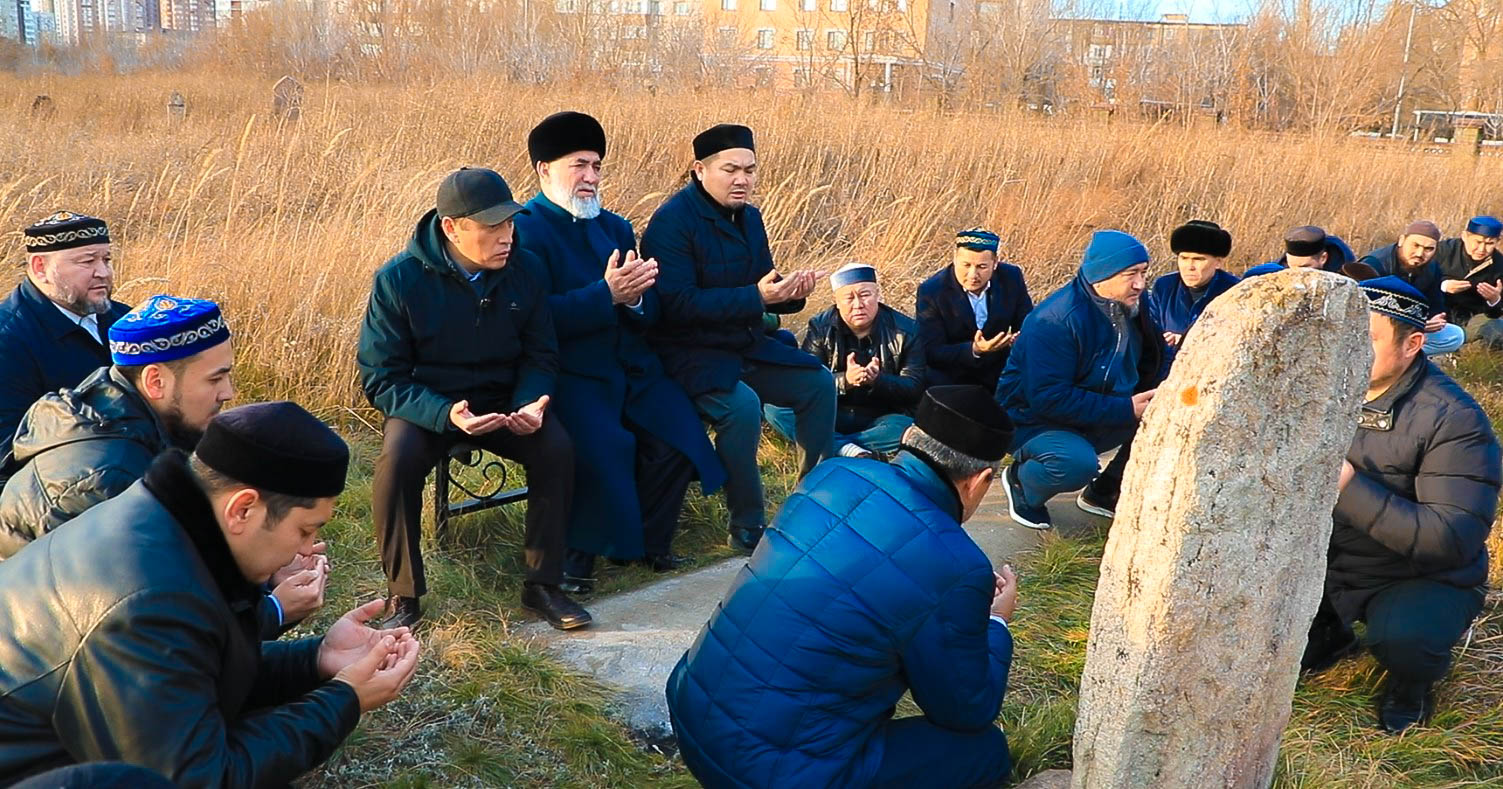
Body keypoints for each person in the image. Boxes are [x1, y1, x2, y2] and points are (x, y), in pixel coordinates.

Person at [0, 402, 423, 786]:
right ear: (243, 509)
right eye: (305, 530)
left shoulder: (160, 521)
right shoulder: (149, 603)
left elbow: (192, 676)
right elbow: (200, 778)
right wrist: (342, 700)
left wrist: (315, 660)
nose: (307, 550)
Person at [666, 386, 1018, 788]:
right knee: (984, 750)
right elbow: (966, 708)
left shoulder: (829, 474)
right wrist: (996, 623)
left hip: (691, 714)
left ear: (907, 437)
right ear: (981, 479)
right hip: (775, 776)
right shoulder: (958, 564)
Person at [358, 167, 589, 630]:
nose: (507, 236)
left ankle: (542, 585)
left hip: (505, 400)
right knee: (396, 463)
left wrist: (531, 403)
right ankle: (404, 595)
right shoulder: (398, 280)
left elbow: (541, 354)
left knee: (557, 448)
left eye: (510, 223)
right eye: (492, 226)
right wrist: (445, 413)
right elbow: (382, 379)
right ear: (451, 228)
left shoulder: (527, 269)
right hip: (429, 404)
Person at [515, 111, 726, 595]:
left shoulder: (614, 227)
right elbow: (532, 318)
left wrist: (632, 300)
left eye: (596, 166)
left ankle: (647, 542)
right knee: (604, 444)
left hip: (627, 364)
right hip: (568, 371)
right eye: (579, 165)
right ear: (544, 168)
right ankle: (576, 560)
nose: (590, 177)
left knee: (679, 432)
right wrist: (604, 295)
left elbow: (646, 307)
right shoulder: (526, 231)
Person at [1302, 277, 1499, 734]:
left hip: (1418, 574)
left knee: (1406, 639)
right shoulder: (1317, 390)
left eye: (1367, 340)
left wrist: (1348, 486)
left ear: (1412, 344)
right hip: (1329, 561)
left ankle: (1411, 686)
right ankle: (1330, 635)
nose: (1349, 352)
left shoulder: (1454, 419)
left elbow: (1449, 539)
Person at [642, 123, 836, 554]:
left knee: (819, 383)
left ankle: (811, 508)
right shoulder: (672, 223)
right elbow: (676, 304)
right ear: (699, 170)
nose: (742, 180)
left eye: (749, 170)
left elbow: (762, 285)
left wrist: (790, 293)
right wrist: (757, 297)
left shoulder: (751, 217)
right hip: (687, 352)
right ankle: (747, 526)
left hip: (744, 343)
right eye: (730, 170)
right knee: (743, 408)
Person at [0, 295, 235, 557]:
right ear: (156, 382)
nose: (228, 393)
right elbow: (145, 577)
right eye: (215, 379)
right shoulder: (109, 479)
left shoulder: (125, 414)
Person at [995, 230, 1168, 530]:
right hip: (1033, 420)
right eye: (1130, 274)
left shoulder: (1135, 304)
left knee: (1166, 419)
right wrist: (1126, 409)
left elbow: (1156, 356)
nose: (1140, 283)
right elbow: (1048, 398)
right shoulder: (1055, 321)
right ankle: (1023, 482)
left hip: (1099, 406)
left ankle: (1104, 492)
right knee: (1076, 464)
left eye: (1143, 272)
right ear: (1101, 276)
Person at [0, 212, 128, 462]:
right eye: (87, 262)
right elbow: (7, 452)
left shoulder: (125, 321)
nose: (103, 272)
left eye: (106, 259)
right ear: (40, 268)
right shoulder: (9, 340)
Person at [765, 262, 927, 458]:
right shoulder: (820, 327)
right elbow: (806, 382)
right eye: (849, 298)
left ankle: (833, 445)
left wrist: (877, 380)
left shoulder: (907, 330)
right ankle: (850, 448)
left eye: (865, 295)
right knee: (775, 409)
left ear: (878, 294)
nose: (858, 304)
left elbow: (914, 388)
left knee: (906, 428)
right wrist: (846, 381)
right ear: (837, 301)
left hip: (880, 416)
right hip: (832, 411)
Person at [915, 228, 1033, 392]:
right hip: (953, 378)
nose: (972, 275)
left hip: (1001, 371)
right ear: (955, 259)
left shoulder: (1011, 277)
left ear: (995, 263)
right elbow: (931, 351)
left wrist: (1018, 340)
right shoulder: (932, 291)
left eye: (982, 267)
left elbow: (1027, 322)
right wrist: (974, 349)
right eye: (966, 265)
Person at [1358, 220, 1465, 356]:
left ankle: (1401, 358)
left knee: (1455, 335)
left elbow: (1436, 305)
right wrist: (1417, 324)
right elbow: (1362, 312)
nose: (1420, 253)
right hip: (1374, 330)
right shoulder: (1375, 263)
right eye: (1415, 245)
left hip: (1409, 330)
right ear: (1402, 241)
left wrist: (1434, 321)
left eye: (1428, 249)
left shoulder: (1432, 268)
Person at [1146, 220, 1239, 356]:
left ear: (1218, 262)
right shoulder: (1164, 287)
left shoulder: (1234, 292)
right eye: (1184, 258)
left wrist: (1187, 343)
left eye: (1199, 259)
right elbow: (1150, 333)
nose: (1190, 266)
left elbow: (1236, 343)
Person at [1435, 215, 1503, 346]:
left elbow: (1495, 314)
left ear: (1497, 242)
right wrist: (1444, 285)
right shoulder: (1442, 251)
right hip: (1434, 314)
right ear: (1465, 236)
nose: (1482, 249)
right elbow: (1418, 280)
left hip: (1471, 319)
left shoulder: (1499, 266)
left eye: (1489, 244)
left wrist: (1494, 300)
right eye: (1477, 242)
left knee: (1499, 329)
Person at [1243, 225, 1367, 279]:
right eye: (1292, 266)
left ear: (1323, 258)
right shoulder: (1271, 272)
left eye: (1305, 267)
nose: (1297, 273)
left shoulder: (1349, 276)